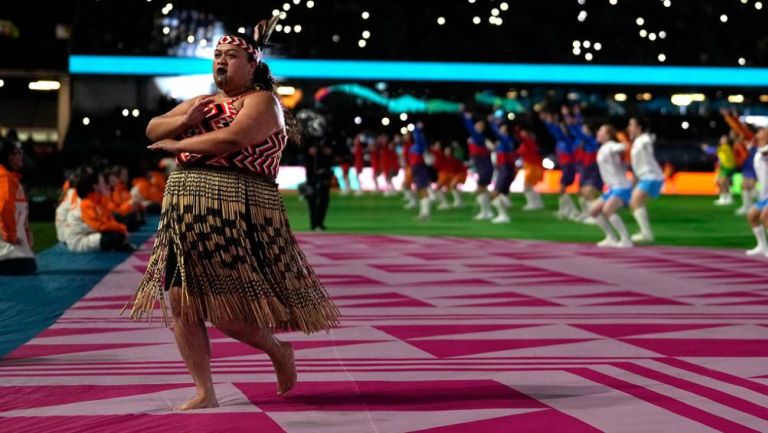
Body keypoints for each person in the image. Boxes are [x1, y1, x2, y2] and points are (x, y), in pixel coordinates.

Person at [124, 18, 339, 410]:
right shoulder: (203, 102)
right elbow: (152, 128)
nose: (221, 62)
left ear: (252, 64)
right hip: (186, 213)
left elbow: (234, 137)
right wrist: (183, 121)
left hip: (233, 210)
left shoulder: (263, 102)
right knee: (180, 300)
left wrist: (178, 143)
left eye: (231, 56)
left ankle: (278, 350)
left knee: (224, 311)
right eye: (217, 55)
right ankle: (205, 390)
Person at [589, 125, 633, 248]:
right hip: (612, 188)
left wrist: (622, 140)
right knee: (594, 211)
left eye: (601, 131)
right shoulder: (604, 148)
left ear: (608, 136)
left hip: (621, 187)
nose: (597, 133)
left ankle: (626, 239)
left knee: (608, 210)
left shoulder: (610, 146)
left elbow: (623, 147)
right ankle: (611, 237)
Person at [0, 140, 36, 275]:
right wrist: (11, 237)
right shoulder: (3, 177)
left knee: (28, 264)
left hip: (9, 249)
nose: (22, 156)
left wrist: (25, 233)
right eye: (19, 152)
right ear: (9, 156)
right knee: (26, 265)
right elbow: (4, 208)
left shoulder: (9, 178)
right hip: (6, 251)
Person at [627, 117, 664, 242]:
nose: (629, 127)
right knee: (636, 204)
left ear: (639, 127)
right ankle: (645, 232)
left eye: (631, 124)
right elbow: (637, 165)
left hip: (651, 176)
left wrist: (649, 138)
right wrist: (633, 181)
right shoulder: (636, 142)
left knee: (634, 202)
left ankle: (646, 233)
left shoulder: (644, 139)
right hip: (645, 177)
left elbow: (649, 140)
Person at [461, 112, 494, 220]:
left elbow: (468, 126)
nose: (478, 127)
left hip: (485, 167)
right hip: (481, 166)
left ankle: (486, 211)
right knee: (483, 189)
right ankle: (487, 211)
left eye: (481, 126)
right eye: (477, 125)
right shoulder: (478, 137)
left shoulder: (479, 137)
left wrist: (465, 116)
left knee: (480, 189)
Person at [487, 115, 517, 224]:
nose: (501, 129)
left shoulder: (505, 139)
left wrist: (492, 123)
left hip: (505, 170)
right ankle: (503, 212)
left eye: (503, 128)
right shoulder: (507, 141)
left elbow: (496, 133)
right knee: (501, 194)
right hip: (506, 170)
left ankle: (503, 215)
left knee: (495, 194)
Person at [302, 136, 334, 231]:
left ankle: (319, 223)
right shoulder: (310, 152)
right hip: (313, 180)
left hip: (323, 179)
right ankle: (315, 224)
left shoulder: (325, 152)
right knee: (313, 202)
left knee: (323, 201)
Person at [745, 128, 768, 256]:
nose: (758, 133)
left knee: (765, 217)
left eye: (761, 131)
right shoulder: (759, 149)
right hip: (764, 192)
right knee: (752, 216)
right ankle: (762, 247)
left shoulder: (765, 150)